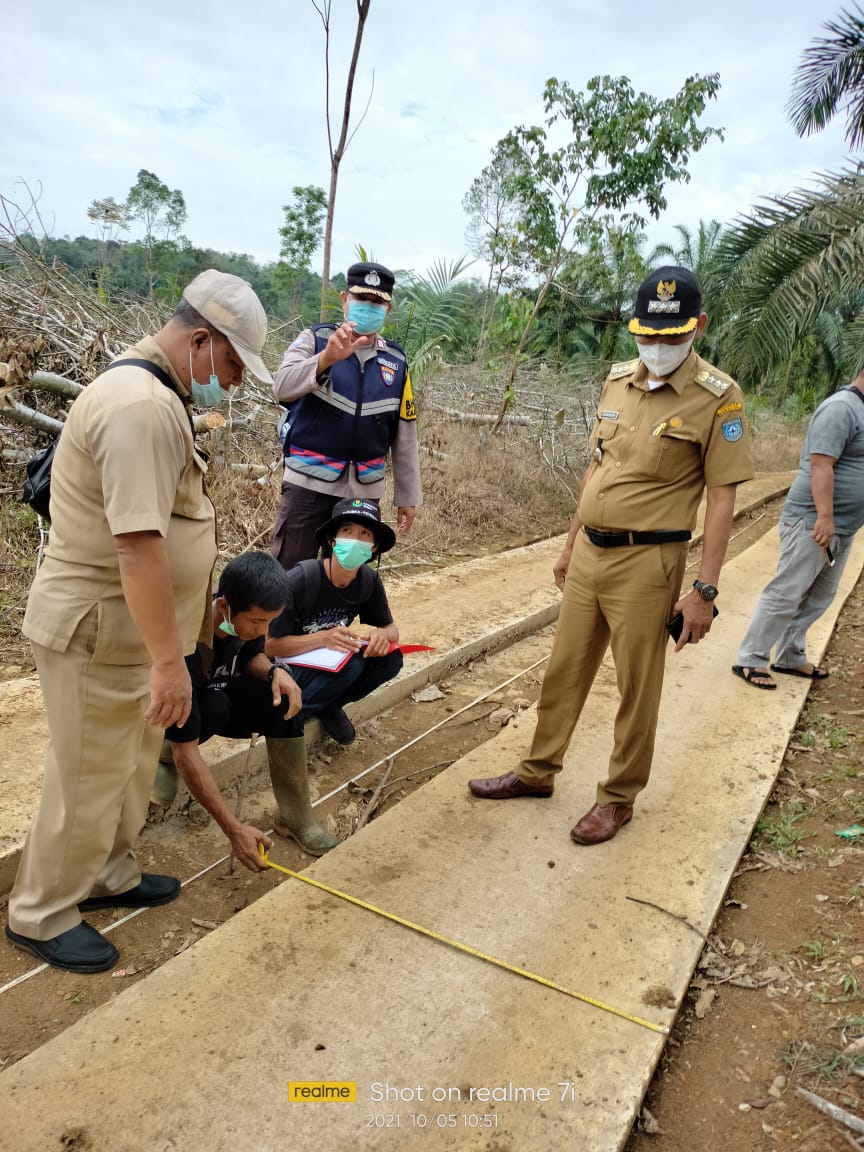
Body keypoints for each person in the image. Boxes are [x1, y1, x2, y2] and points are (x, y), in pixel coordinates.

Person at [6, 269, 273, 974]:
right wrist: (168, 659)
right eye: (232, 364)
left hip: (128, 633)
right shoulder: (139, 407)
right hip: (100, 629)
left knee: (124, 767)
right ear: (198, 339)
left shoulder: (156, 396)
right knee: (88, 772)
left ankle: (106, 874)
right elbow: (138, 542)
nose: (235, 383)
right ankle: (40, 910)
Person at [468, 266, 755, 844]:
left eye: (672, 336)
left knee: (636, 687)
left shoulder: (718, 399)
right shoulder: (618, 381)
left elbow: (722, 500)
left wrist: (703, 590)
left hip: (649, 564)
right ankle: (538, 771)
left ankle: (618, 798)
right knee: (563, 671)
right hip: (591, 556)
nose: (657, 346)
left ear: (698, 327)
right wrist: (570, 543)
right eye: (647, 334)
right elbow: (597, 467)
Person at [156, 550, 339, 857]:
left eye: (270, 621)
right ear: (225, 606)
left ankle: (296, 816)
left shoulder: (245, 617)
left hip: (219, 697)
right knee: (212, 706)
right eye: (257, 621)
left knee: (282, 697)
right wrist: (234, 829)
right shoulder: (186, 639)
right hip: (179, 710)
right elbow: (188, 749)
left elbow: (250, 655)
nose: (264, 631)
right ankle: (159, 754)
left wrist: (275, 671)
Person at [269, 261, 422, 570]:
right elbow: (281, 387)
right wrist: (325, 359)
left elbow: (404, 433)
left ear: (388, 309)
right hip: (308, 485)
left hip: (363, 494)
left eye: (377, 302)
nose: (369, 306)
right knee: (285, 576)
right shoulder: (315, 339)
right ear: (344, 300)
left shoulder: (396, 362)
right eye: (361, 299)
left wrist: (407, 496)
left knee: (345, 581)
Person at [732, 374, 864, 689]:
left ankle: (790, 655)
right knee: (787, 592)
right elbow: (821, 465)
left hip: (843, 527)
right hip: (814, 521)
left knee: (820, 595)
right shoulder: (841, 409)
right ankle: (751, 658)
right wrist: (825, 517)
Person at [266, 498, 403, 746]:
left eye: (364, 534)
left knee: (391, 660)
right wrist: (322, 638)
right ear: (332, 539)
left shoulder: (368, 582)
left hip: (327, 660)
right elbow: (267, 646)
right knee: (350, 667)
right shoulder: (301, 579)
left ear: (374, 547)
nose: (355, 540)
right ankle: (285, 717)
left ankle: (328, 704)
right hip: (284, 667)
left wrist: (380, 636)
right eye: (347, 531)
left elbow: (391, 629)